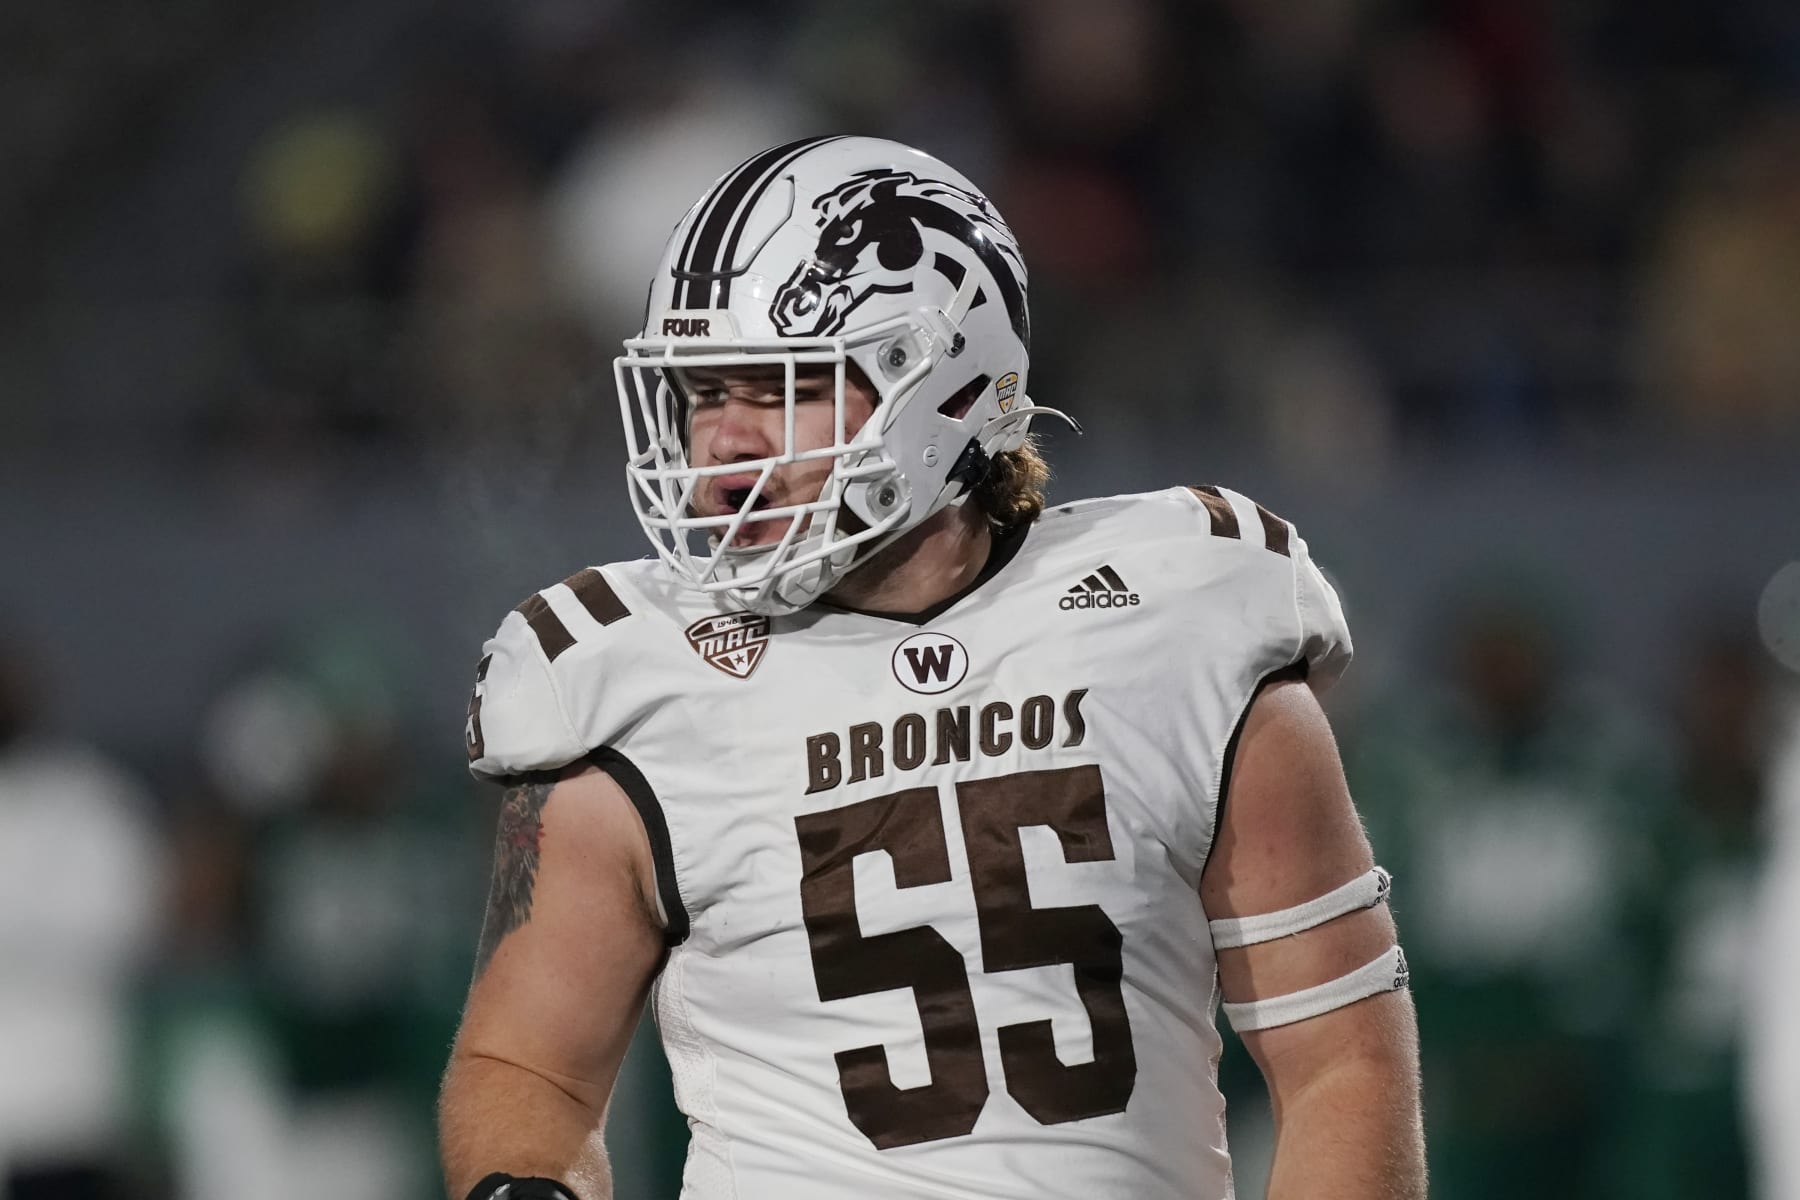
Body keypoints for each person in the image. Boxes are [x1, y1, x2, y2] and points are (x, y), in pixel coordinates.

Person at [437, 136, 1425, 1200]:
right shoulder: (628, 678)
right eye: (703, 392)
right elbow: (527, 1069)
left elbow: (1341, 1063)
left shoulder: (1184, 622)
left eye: (776, 388)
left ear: (941, 380)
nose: (721, 443)